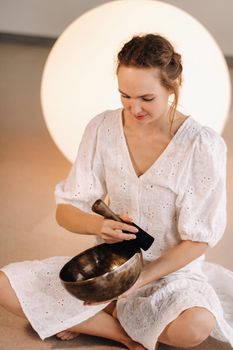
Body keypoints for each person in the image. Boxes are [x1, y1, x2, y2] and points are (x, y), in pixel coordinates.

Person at [0, 33, 233, 350]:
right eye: (125, 95)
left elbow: (198, 241)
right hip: (109, 270)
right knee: (3, 286)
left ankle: (92, 315)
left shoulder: (201, 145)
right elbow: (66, 209)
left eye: (146, 99)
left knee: (194, 327)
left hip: (169, 275)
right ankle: (121, 333)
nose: (134, 108)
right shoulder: (102, 128)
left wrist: (141, 280)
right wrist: (98, 226)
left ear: (173, 85)